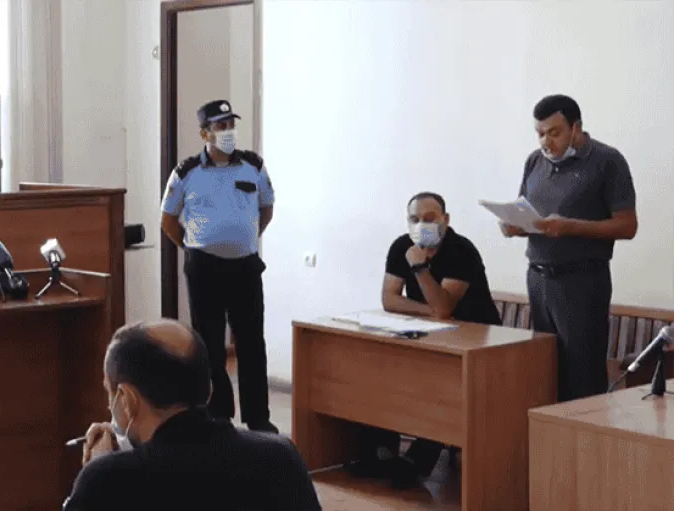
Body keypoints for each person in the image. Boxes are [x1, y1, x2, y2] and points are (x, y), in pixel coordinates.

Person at [63, 320, 321, 511]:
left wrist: (99, 465)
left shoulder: (107, 481)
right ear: (209, 389)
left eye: (110, 392)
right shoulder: (281, 457)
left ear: (127, 400)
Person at [352, 191, 502, 489]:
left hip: (480, 342)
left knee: (444, 385)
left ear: (445, 220)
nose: (422, 224)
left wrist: (420, 269)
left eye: (430, 218)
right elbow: (389, 299)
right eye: (415, 219)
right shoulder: (401, 246)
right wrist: (430, 311)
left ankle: (417, 461)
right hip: (432, 335)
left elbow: (444, 307)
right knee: (380, 372)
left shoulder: (460, 250)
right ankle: (382, 450)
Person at [500, 94, 637, 402]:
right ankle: (549, 434)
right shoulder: (535, 161)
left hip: (581, 281)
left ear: (576, 128)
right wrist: (515, 226)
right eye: (540, 133)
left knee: (582, 377)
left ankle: (583, 434)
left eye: (554, 132)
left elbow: (628, 226)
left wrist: (570, 226)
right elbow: (529, 213)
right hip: (538, 278)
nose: (546, 142)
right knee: (545, 371)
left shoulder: (607, 160)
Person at [160, 99, 277, 433]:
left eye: (231, 125)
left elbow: (266, 208)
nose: (228, 131)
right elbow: (168, 220)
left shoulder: (253, 166)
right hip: (205, 269)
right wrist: (192, 247)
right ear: (205, 134)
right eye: (220, 126)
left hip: (245, 268)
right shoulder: (186, 172)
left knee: (251, 342)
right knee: (209, 343)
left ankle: (258, 417)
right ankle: (218, 414)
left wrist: (244, 237)